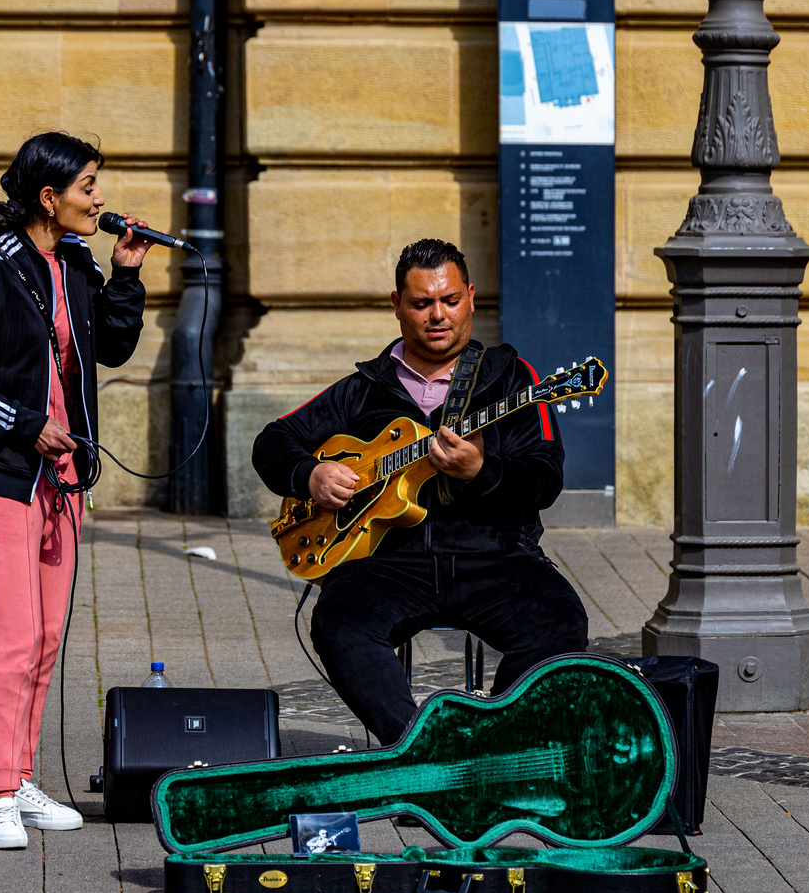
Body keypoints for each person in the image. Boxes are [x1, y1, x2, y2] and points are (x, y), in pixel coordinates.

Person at [252, 239, 588, 746]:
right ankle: (417, 750)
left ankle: (494, 743)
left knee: (560, 624)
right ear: (397, 305)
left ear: (471, 298)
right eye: (421, 303)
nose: (438, 316)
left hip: (495, 557)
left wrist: (482, 470)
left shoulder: (512, 382)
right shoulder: (364, 388)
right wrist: (310, 476)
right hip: (388, 565)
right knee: (339, 624)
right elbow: (273, 441)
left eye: (450, 300)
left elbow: (545, 478)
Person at [0, 132, 152, 849]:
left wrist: (128, 276)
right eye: (88, 187)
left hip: (65, 480)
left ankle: (18, 775)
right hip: (3, 476)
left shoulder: (75, 261)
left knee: (46, 639)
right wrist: (24, 424)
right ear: (48, 198)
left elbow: (108, 349)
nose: (101, 198)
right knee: (11, 638)